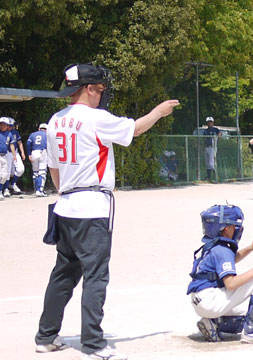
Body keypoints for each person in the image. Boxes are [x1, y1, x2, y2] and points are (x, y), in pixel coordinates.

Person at [34, 63, 179, 360]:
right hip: (92, 206)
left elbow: (54, 169)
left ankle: (46, 336)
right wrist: (159, 111)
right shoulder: (95, 118)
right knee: (96, 276)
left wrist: (65, 193)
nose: (102, 94)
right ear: (88, 88)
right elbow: (135, 129)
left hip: (66, 205)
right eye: (99, 89)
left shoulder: (56, 120)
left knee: (63, 273)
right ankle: (94, 344)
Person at [187, 204, 253, 344]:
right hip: (210, 300)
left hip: (201, 299)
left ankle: (213, 323)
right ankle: (252, 333)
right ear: (225, 229)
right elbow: (230, 284)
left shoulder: (213, 245)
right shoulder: (222, 250)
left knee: (245, 318)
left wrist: (252, 247)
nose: (237, 229)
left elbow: (231, 259)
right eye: (234, 226)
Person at [26, 123, 49, 197]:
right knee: (42, 172)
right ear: (46, 129)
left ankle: (36, 190)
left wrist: (29, 154)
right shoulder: (47, 135)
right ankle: (40, 190)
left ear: (39, 128)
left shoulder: (33, 134)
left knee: (35, 172)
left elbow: (28, 144)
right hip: (43, 152)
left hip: (34, 152)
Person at [0, 117, 17, 201]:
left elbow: (11, 145)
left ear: (7, 126)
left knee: (5, 175)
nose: (2, 126)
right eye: (1, 124)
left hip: (5, 155)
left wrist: (14, 155)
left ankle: (2, 190)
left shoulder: (9, 134)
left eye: (4, 124)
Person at [7, 118, 25, 195]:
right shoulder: (3, 133)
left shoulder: (15, 132)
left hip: (15, 153)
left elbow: (19, 142)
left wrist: (22, 152)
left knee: (20, 169)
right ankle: (5, 189)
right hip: (6, 153)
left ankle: (12, 183)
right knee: (7, 172)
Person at [203, 116, 221, 181]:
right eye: (208, 122)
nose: (209, 123)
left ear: (213, 123)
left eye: (210, 122)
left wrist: (218, 135)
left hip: (212, 147)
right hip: (206, 147)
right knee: (207, 162)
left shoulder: (215, 129)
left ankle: (216, 176)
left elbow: (219, 133)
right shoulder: (205, 130)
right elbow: (204, 138)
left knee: (211, 162)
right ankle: (209, 177)